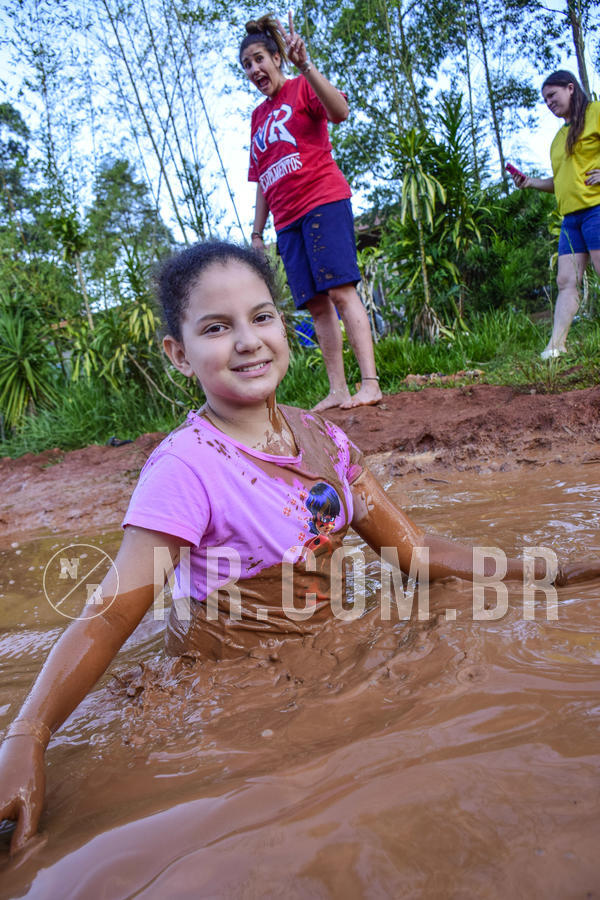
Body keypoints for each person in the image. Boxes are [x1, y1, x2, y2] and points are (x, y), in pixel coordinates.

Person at [0, 240, 598, 855]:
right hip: (229, 688)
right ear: (178, 355)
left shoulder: (322, 437)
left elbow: (413, 552)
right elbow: (114, 613)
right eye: (216, 327)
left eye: (261, 317)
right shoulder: (185, 468)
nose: (247, 340)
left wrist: (548, 571)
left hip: (325, 647)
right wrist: (28, 736)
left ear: (283, 327)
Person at [240, 12, 382, 411]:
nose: (254, 69)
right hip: (286, 222)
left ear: (277, 58)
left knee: (340, 289)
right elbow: (263, 177)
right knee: (317, 305)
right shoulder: (257, 118)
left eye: (259, 59)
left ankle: (369, 383)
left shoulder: (303, 87)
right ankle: (338, 389)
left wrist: (308, 66)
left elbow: (340, 112)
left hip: (322, 200)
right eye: (247, 65)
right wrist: (257, 233)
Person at [510, 70, 600, 359]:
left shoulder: (596, 112)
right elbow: (562, 181)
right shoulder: (558, 138)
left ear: (570, 88)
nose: (549, 102)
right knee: (565, 282)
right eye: (545, 99)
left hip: (596, 209)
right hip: (571, 219)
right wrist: (531, 183)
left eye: (553, 95)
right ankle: (556, 346)